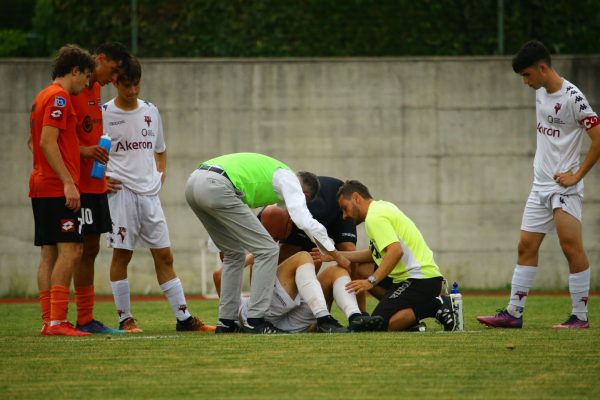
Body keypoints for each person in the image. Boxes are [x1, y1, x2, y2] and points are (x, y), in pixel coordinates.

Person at [477, 40, 600, 329]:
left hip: (563, 188)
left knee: (571, 248)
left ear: (542, 68)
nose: (525, 82)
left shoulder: (573, 97)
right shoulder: (541, 92)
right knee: (525, 246)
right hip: (540, 186)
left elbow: (598, 138)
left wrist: (577, 175)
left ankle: (579, 317)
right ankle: (513, 313)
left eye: (527, 75)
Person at [103, 57, 214, 333]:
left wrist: (160, 173)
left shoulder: (151, 111)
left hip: (149, 195)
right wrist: (97, 180)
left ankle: (184, 319)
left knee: (164, 256)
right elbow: (92, 152)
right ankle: (125, 318)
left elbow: (160, 149)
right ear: (115, 83)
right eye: (126, 85)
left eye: (136, 85)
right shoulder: (104, 113)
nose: (132, 91)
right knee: (122, 255)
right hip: (121, 193)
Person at [185, 152, 350, 334]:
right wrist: (335, 255)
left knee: (234, 254)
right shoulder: (289, 179)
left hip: (194, 183)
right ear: (305, 193)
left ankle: (226, 322)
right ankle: (255, 320)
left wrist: (219, 245)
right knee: (269, 250)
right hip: (216, 186)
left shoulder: (268, 177)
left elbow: (232, 210)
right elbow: (305, 220)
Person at [322, 180, 457, 332]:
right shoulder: (382, 207)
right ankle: (409, 322)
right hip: (411, 279)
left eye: (344, 208)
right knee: (362, 274)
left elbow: (395, 251)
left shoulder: (374, 218)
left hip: (420, 280)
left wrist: (371, 281)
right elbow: (374, 254)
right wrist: (336, 255)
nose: (344, 216)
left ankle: (436, 305)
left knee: (379, 326)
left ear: (356, 198)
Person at [28, 44, 96, 336]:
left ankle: (49, 320)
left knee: (49, 254)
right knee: (72, 250)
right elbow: (46, 141)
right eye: (86, 77)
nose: (88, 84)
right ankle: (58, 321)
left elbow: (33, 143)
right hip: (56, 188)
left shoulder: (42, 96)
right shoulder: (59, 98)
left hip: (40, 185)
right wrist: (69, 180)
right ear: (75, 70)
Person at [71, 42, 130, 334]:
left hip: (94, 184)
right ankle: (57, 319)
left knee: (91, 248)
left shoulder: (95, 91)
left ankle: (85, 318)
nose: (115, 79)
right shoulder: (70, 90)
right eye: (114, 70)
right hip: (74, 185)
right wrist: (84, 153)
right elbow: (54, 139)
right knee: (70, 250)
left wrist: (101, 174)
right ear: (101, 59)